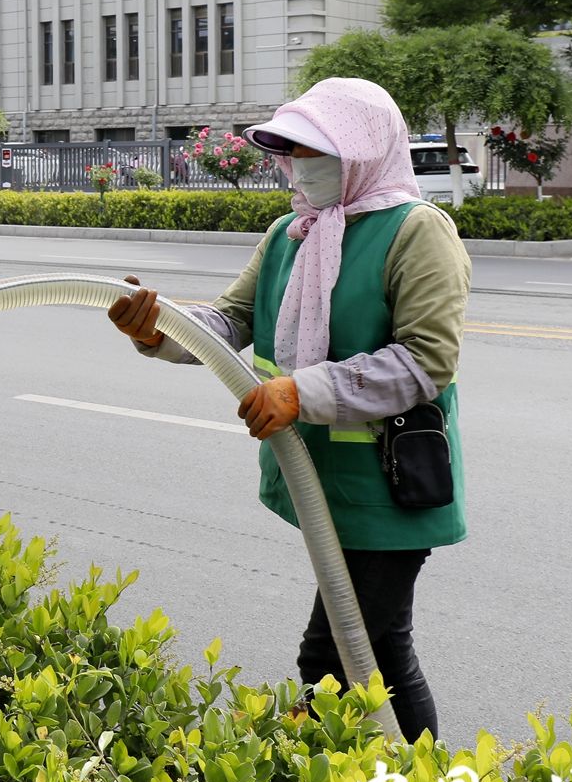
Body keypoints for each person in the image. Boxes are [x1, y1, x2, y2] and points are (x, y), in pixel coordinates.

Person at [106, 77, 470, 742]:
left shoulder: (417, 231)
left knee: (331, 661)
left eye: (316, 150)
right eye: (294, 150)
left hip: (392, 490)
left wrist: (302, 393)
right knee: (383, 651)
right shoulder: (291, 234)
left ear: (363, 150)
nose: (301, 165)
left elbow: (425, 361)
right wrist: (157, 329)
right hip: (325, 485)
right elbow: (229, 320)